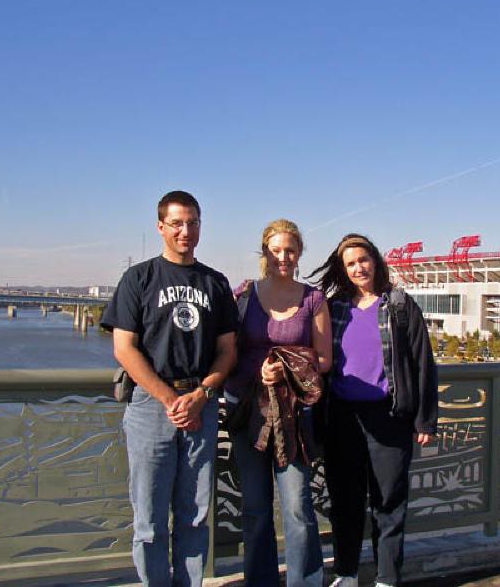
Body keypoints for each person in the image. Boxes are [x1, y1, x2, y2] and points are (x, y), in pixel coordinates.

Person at [101, 191, 239, 587]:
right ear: (160, 227)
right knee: (149, 517)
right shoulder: (139, 278)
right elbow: (123, 348)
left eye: (192, 222)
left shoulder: (216, 283)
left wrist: (202, 395)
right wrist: (169, 398)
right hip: (151, 406)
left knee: (195, 514)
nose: (185, 230)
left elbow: (228, 351)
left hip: (202, 404)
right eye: (177, 223)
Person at [309, 234, 438, 587]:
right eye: (350, 263)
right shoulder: (334, 308)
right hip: (343, 417)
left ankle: (386, 578)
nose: (358, 268)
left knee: (388, 501)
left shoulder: (398, 305)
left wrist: (425, 418)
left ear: (375, 260)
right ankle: (347, 572)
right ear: (343, 269)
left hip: (389, 417)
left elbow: (422, 362)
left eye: (363, 260)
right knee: (345, 500)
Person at [224, 219, 332, 586]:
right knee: (255, 509)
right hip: (248, 412)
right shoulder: (245, 294)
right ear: (264, 253)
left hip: (294, 416)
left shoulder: (313, 298)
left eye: (290, 250)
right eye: (275, 250)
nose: (282, 257)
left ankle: (305, 581)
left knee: (298, 507)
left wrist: (283, 370)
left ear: (299, 253)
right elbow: (229, 350)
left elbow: (325, 358)